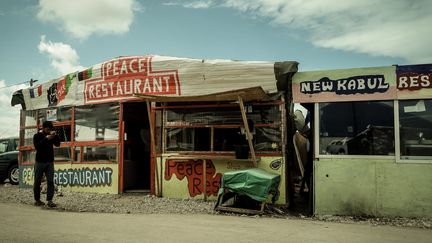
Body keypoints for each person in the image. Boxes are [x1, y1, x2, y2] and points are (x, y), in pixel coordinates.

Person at [33, 120, 60, 207]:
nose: (49, 130)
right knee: (37, 181)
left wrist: (55, 136)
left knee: (50, 181)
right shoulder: (37, 136)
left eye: (50, 129)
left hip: (49, 162)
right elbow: (37, 146)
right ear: (43, 128)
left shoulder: (52, 136)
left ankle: (50, 200)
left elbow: (58, 144)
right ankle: (37, 200)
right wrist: (46, 139)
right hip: (39, 162)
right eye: (47, 129)